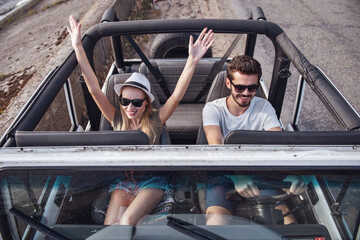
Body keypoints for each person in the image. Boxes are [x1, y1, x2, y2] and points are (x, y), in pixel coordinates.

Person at [67, 15, 214, 226]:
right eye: (125, 101)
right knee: (110, 228)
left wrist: (192, 60)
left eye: (136, 102)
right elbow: (93, 89)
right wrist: (78, 47)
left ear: (146, 103)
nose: (130, 107)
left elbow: (177, 96)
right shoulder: (116, 118)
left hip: (152, 182)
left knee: (126, 221)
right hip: (123, 183)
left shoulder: (156, 120)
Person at [202, 55, 307, 225]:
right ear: (228, 84)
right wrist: (237, 176)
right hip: (223, 175)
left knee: (287, 220)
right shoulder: (213, 109)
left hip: (258, 174)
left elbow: (277, 145)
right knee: (216, 220)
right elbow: (216, 148)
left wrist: (290, 174)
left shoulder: (264, 107)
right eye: (240, 87)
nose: (246, 93)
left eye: (252, 88)